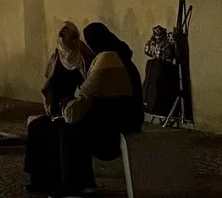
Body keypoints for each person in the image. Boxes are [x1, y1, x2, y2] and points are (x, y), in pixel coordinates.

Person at [23, 23, 144, 196]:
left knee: (67, 132)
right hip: (104, 113)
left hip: (116, 119)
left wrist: (75, 99)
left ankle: (75, 185)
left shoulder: (109, 58)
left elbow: (90, 89)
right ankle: (43, 180)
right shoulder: (106, 57)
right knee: (40, 126)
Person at [41, 21, 89, 120]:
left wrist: (73, 98)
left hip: (78, 98)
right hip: (59, 101)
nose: (63, 39)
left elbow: (89, 80)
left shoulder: (82, 53)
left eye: (71, 36)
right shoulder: (57, 55)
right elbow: (49, 80)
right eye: (61, 35)